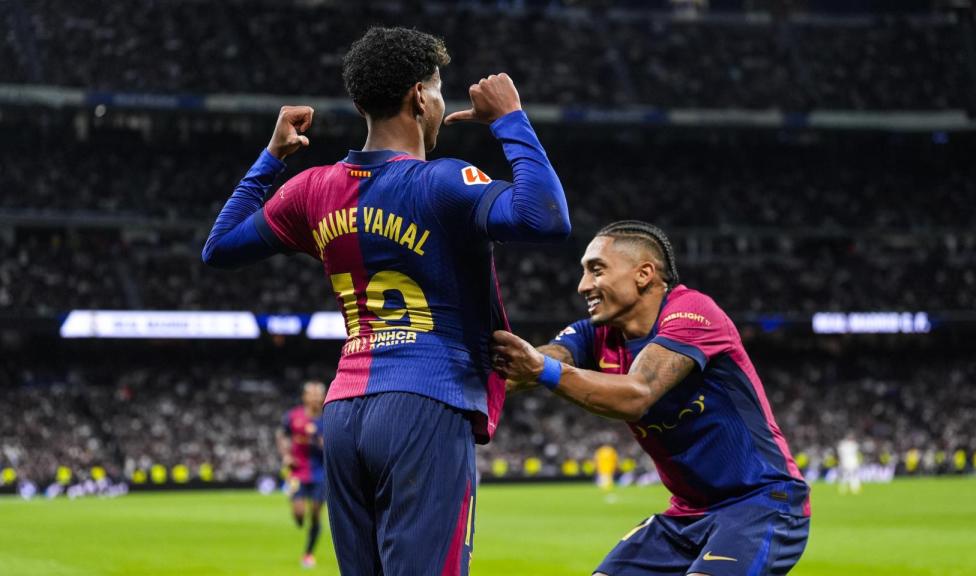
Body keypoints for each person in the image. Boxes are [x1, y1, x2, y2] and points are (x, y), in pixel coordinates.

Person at [201, 26, 570, 576]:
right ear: (420, 97)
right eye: (440, 89)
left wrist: (272, 156)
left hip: (344, 413)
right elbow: (548, 217)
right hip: (427, 402)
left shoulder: (312, 189)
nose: (444, 103)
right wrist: (511, 120)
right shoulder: (442, 182)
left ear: (358, 103)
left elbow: (220, 247)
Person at [492, 221, 809, 576]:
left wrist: (540, 370)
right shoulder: (596, 336)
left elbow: (636, 395)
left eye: (596, 270)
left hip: (761, 504)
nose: (583, 285)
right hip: (686, 516)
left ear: (644, 273)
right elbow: (541, 361)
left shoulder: (693, 312)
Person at [276, 381, 327, 568]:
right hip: (296, 472)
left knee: (315, 513)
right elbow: (281, 435)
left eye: (317, 394)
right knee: (299, 513)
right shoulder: (293, 416)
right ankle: (299, 518)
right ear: (305, 397)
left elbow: (332, 446)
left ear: (323, 397)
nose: (314, 398)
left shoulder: (328, 418)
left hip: (320, 473)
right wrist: (286, 455)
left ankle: (308, 553)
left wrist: (320, 440)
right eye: (311, 394)